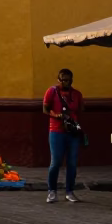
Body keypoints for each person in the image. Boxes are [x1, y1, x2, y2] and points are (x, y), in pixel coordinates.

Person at [43, 68, 84, 204]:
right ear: (58, 80)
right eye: (63, 80)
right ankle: (52, 191)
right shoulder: (52, 92)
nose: (66, 83)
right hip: (56, 131)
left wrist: (72, 120)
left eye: (69, 80)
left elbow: (81, 110)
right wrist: (57, 115)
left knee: (72, 163)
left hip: (72, 132)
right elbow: (45, 109)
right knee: (56, 162)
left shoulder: (77, 94)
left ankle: (69, 191)